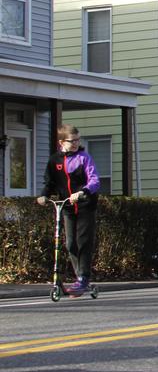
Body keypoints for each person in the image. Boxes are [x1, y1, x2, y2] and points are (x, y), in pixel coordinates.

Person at [37, 123, 100, 296]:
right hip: (67, 206)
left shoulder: (84, 157)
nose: (76, 143)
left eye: (78, 140)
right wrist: (44, 195)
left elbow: (94, 180)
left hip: (86, 204)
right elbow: (49, 182)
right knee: (70, 243)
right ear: (61, 142)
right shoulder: (54, 160)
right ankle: (79, 276)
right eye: (72, 141)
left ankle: (83, 278)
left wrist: (82, 192)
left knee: (83, 242)